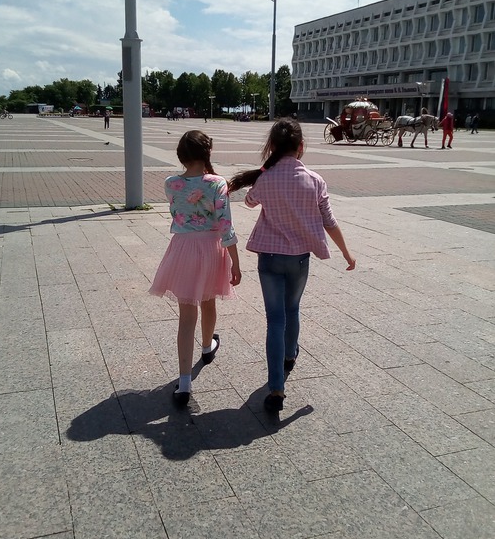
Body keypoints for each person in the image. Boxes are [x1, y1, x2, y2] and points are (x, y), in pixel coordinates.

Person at [228, 118, 356, 413]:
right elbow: (329, 222)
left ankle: (276, 388)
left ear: (272, 146)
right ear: (301, 146)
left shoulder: (266, 178)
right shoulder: (315, 180)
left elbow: (249, 201)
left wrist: (263, 173)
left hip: (269, 258)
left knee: (274, 320)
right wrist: (346, 254)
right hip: (299, 258)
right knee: (293, 309)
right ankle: (289, 355)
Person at [149, 130, 242, 405]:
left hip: (182, 248)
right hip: (211, 247)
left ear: (181, 155)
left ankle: (184, 383)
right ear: (207, 153)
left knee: (186, 315)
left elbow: (178, 213)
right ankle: (207, 346)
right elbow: (225, 225)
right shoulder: (217, 183)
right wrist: (236, 262)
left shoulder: (171, 184)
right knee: (208, 301)